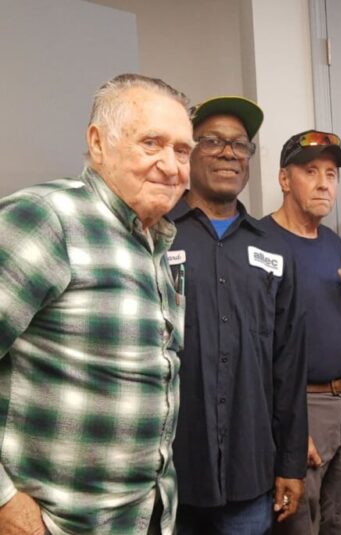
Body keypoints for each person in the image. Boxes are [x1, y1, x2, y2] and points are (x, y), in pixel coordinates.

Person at [0, 73, 191, 534]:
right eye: (152, 143)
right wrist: (4, 503)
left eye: (183, 150)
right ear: (98, 143)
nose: (171, 165)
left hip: (145, 516)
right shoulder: (45, 219)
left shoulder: (155, 239)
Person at [169, 97, 307, 534]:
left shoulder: (274, 247)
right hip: (172, 475)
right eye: (211, 141)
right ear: (188, 151)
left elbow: (289, 362)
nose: (229, 152)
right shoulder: (156, 235)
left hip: (250, 473)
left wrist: (291, 464)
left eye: (240, 145)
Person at [265, 129, 341, 535]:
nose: (323, 183)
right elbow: (255, 348)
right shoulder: (261, 245)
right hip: (304, 405)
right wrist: (289, 430)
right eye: (310, 171)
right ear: (284, 179)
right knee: (299, 521)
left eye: (331, 174)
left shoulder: (335, 245)